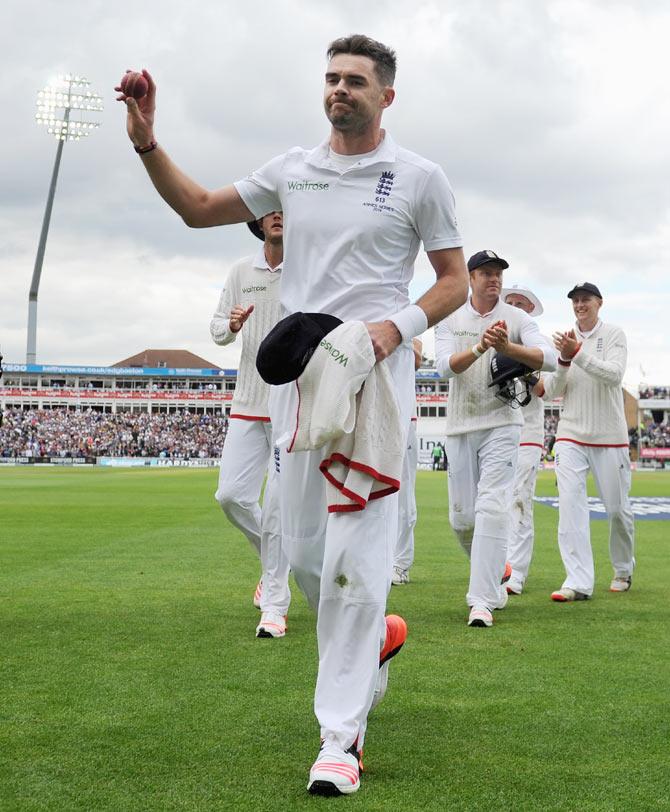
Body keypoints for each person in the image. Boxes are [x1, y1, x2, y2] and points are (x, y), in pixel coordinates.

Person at [117, 34, 469, 796]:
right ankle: (373, 641)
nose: (340, 89)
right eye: (332, 79)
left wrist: (392, 329)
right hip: (300, 378)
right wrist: (148, 142)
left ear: (387, 96)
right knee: (306, 556)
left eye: (356, 81)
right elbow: (197, 209)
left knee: (353, 562)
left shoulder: (419, 177)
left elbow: (451, 283)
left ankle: (339, 741)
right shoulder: (292, 172)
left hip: (374, 377)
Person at [435, 251, 557, 627]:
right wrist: (480, 348)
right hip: (460, 424)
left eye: (499, 274)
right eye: (486, 273)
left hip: (504, 423)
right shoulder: (451, 315)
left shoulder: (516, 318)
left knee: (491, 507)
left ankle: (481, 601)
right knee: (462, 520)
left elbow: (549, 358)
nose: (494, 280)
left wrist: (509, 349)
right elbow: (442, 369)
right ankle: (493, 575)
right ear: (471, 277)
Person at [210, 211, 291, 638]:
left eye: (284, 207)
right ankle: (274, 562)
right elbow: (217, 329)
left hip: (289, 404)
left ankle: (275, 607)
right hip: (247, 401)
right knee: (230, 496)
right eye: (269, 209)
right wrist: (232, 324)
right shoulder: (242, 270)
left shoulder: (307, 267)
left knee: (278, 508)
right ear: (258, 222)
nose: (278, 214)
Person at [540, 282, 635, 601]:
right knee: (569, 506)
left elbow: (614, 375)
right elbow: (553, 389)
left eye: (586, 300)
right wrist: (564, 361)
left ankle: (623, 568)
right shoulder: (565, 340)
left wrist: (576, 354)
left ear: (599, 303)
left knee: (618, 509)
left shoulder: (614, 335)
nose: (580, 305)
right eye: (576, 301)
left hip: (610, 436)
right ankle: (578, 581)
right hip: (570, 435)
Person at [501, 284, 547, 596]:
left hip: (527, 432)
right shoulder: (492, 338)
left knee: (519, 499)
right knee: (494, 503)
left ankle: (515, 571)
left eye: (521, 303)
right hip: (497, 431)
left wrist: (524, 368)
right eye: (511, 302)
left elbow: (546, 387)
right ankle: (496, 566)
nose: (515, 306)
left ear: (529, 310)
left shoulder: (538, 342)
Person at [392, 338, 422, 586]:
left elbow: (418, 357)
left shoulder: (405, 318)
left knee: (403, 493)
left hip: (403, 417)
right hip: (365, 410)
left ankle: (400, 564)